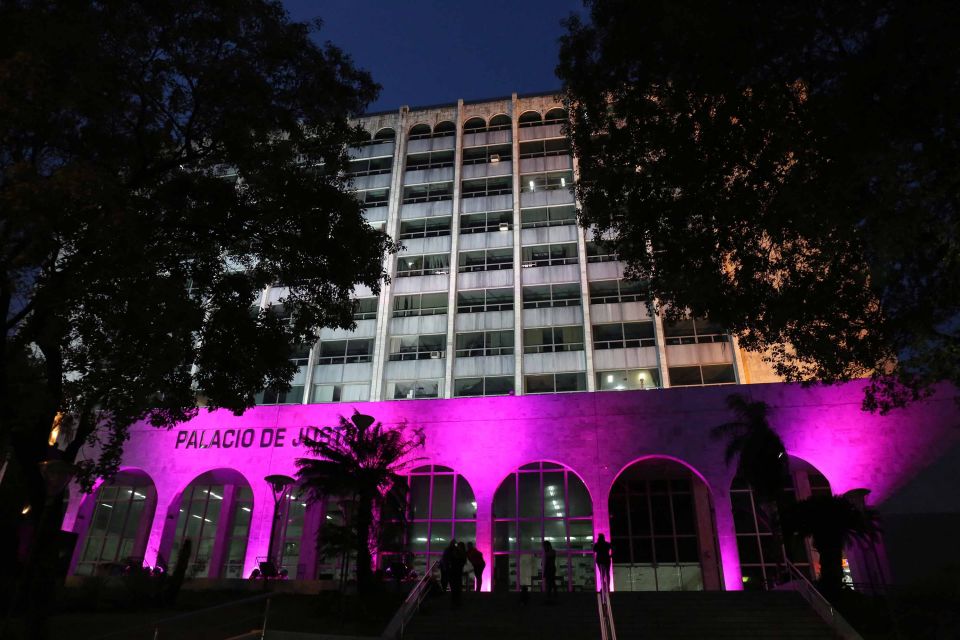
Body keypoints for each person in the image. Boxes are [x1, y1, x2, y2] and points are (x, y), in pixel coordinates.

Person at [450, 540, 466, 607]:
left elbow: (455, 559)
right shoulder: (462, 553)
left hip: (456, 571)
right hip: (457, 571)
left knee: (456, 586)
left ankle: (456, 601)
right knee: (456, 585)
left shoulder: (459, 553)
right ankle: (456, 601)